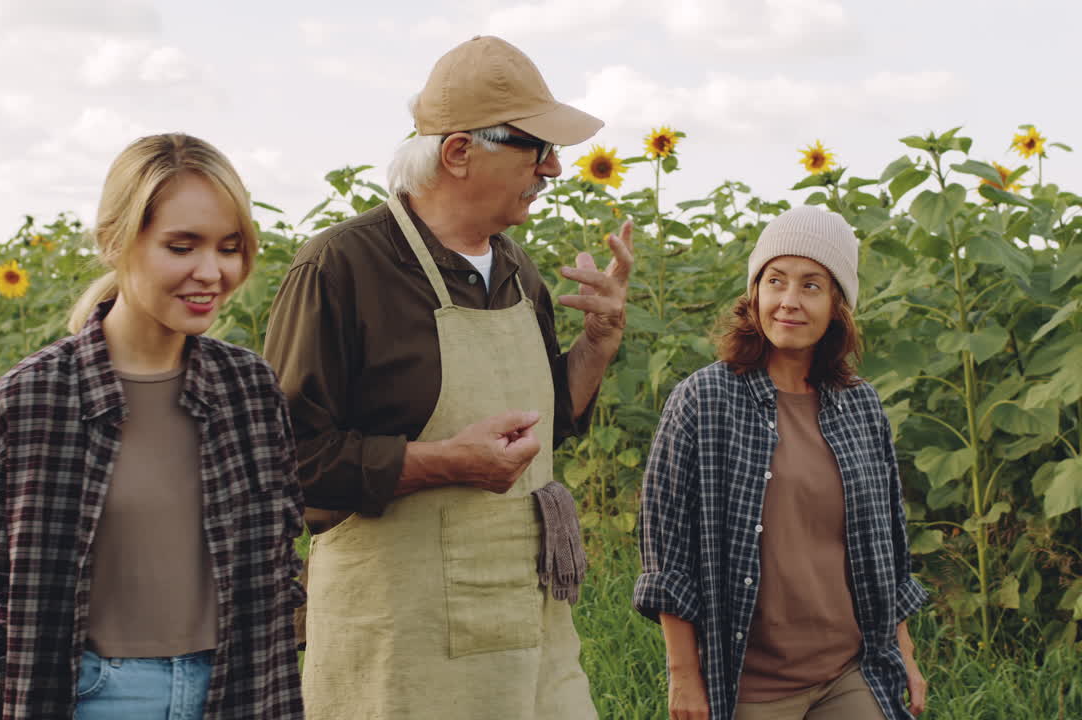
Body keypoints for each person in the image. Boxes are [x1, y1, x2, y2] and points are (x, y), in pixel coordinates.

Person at [263, 34, 634, 720]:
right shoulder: (342, 268)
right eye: (534, 147)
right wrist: (442, 463)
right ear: (459, 151)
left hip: (528, 629)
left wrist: (598, 344)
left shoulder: (518, 271)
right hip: (399, 648)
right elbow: (287, 460)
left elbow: (549, 423)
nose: (553, 167)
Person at [0, 133, 306, 720]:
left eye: (230, 247)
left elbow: (276, 571)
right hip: (93, 697)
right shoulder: (31, 401)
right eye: (181, 246)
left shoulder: (251, 391)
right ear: (115, 241)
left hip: (238, 687)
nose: (211, 272)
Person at [633, 205, 928, 720]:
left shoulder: (861, 405)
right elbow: (666, 551)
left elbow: (888, 544)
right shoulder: (704, 399)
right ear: (755, 293)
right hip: (749, 684)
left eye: (811, 285)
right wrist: (682, 677)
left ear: (838, 303)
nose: (789, 302)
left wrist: (904, 652)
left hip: (848, 671)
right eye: (776, 281)